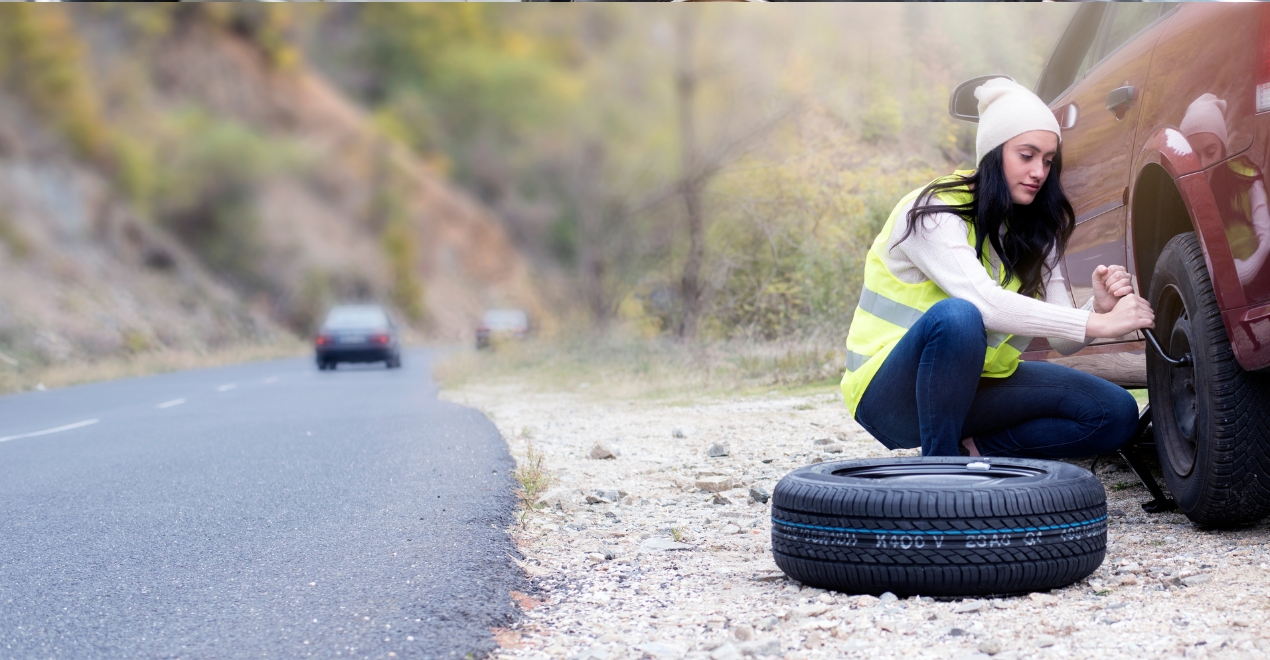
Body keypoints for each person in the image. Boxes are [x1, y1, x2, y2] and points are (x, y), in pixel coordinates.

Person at [840, 78, 1155, 459]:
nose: (1040, 171)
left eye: (1048, 160)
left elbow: (1063, 340)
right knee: (958, 316)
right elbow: (984, 304)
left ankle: (973, 451)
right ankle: (939, 471)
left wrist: (1096, 310)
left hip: (975, 387)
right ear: (993, 152)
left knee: (1115, 412)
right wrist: (1101, 326)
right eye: (1027, 155)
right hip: (888, 394)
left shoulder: (1039, 230)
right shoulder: (934, 211)